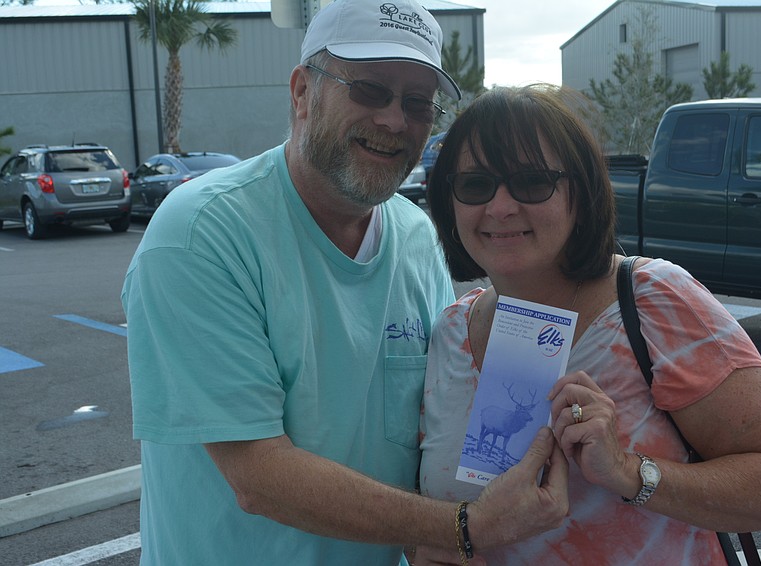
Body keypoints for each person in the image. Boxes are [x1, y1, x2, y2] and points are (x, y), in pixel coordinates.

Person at [121, 2, 569, 565]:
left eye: (416, 103)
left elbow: (427, 425)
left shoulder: (415, 237)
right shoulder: (202, 235)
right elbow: (258, 475)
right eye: (370, 89)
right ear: (302, 91)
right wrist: (465, 525)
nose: (393, 120)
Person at [418, 84, 761, 565]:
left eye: (532, 182)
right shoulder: (452, 331)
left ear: (579, 196)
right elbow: (441, 520)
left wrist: (628, 471)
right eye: (476, 184)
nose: (500, 207)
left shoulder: (655, 300)